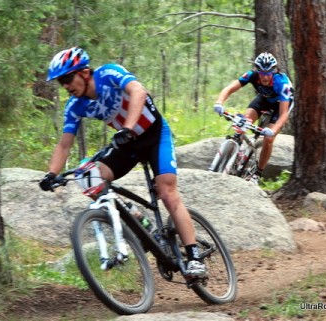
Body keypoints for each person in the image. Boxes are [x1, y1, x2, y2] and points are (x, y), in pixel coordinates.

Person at [39, 47, 207, 277]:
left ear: (85, 72)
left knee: (167, 193)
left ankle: (195, 256)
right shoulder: (75, 106)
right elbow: (64, 144)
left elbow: (138, 91)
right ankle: (137, 219)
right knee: (87, 176)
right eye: (61, 82)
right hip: (127, 143)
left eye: (68, 78)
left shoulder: (108, 73)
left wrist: (127, 127)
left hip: (154, 135)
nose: (66, 86)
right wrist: (51, 174)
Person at [213, 52, 294, 185]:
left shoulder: (282, 83)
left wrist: (272, 131)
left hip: (282, 104)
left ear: (274, 71)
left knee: (268, 139)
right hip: (265, 99)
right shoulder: (252, 75)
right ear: (257, 71)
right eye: (262, 73)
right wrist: (219, 103)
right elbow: (230, 88)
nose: (265, 77)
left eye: (268, 73)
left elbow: (284, 114)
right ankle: (238, 146)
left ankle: (257, 174)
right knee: (244, 121)